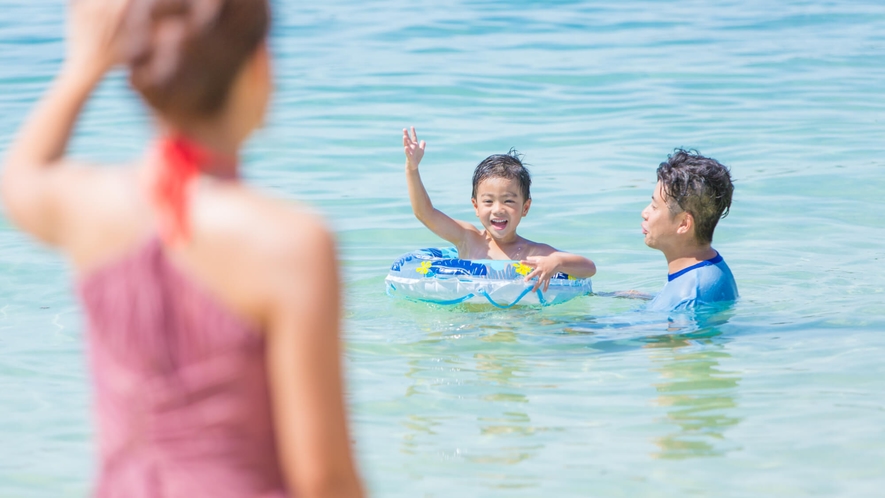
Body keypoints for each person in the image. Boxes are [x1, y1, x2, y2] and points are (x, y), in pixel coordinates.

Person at [1, 0, 364, 496]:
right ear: (260, 69)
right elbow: (324, 478)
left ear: (140, 77)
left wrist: (84, 65)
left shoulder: (91, 209)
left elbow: (21, 177)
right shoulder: (291, 244)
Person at [402, 127, 596, 291]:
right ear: (475, 206)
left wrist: (557, 262)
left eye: (509, 201)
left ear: (525, 207)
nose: (498, 209)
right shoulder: (467, 239)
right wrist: (412, 169)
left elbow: (589, 268)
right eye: (488, 201)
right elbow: (424, 213)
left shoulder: (532, 252)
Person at [640, 149, 738, 311]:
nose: (645, 213)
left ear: (684, 224)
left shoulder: (691, 297)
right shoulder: (703, 274)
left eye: (654, 206)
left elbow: (681, 333)